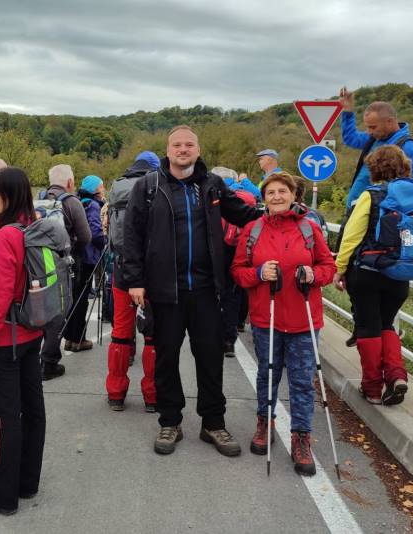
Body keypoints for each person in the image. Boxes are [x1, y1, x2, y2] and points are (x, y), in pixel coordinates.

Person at [122, 125, 260, 456]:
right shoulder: (149, 186)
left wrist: (280, 215)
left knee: (211, 358)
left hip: (206, 290)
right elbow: (132, 235)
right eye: (177, 145)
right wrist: (135, 280)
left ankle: (214, 423)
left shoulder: (211, 184)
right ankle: (170, 421)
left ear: (198, 150)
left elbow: (243, 215)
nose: (183, 149)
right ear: (167, 150)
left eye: (189, 145)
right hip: (164, 291)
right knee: (166, 358)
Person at [231, 171, 336, 476]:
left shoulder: (309, 229)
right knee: (268, 374)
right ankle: (265, 422)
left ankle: (301, 438)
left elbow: (328, 266)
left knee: (303, 382)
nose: (277, 197)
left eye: (282, 191)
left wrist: (313, 275)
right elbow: (238, 271)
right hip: (267, 317)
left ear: (293, 195)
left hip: (303, 318)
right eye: (271, 192)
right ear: (264, 198)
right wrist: (259, 273)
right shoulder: (253, 229)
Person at [0, 166, 46, 515]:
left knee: (8, 418)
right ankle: (28, 482)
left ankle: (2, 495)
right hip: (33, 331)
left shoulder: (6, 236)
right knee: (33, 411)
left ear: (8, 194)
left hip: (6, 340)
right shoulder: (35, 226)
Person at [333, 145, 413, 406]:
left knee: (369, 327)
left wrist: (340, 268)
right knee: (386, 324)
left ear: (374, 168)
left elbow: (351, 236)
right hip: (400, 273)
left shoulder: (372, 195)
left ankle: (371, 388)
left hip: (368, 272)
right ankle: (396, 376)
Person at [105, 151, 160, 412]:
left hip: (120, 270)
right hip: (151, 273)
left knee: (120, 333)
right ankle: (152, 395)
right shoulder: (157, 185)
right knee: (152, 336)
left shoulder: (117, 187)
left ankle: (115, 393)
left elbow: (110, 233)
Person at [39, 164, 92, 380]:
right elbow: (86, 236)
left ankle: (39, 355)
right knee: (61, 310)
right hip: (63, 265)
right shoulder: (72, 202)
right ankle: (49, 361)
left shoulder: (38, 199)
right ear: (70, 182)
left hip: (38, 264)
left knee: (41, 309)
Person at [339, 88, 413, 208]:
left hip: (378, 217)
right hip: (357, 210)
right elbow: (350, 138)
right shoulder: (375, 138)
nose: (369, 132)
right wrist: (347, 112)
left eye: (373, 127)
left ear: (390, 121)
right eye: (367, 127)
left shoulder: (408, 147)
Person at [211, 166, 259, 358]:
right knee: (236, 291)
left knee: (218, 292)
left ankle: (217, 335)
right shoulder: (248, 194)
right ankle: (230, 337)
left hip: (220, 247)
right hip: (244, 247)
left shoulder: (215, 192)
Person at [63, 175, 107, 351]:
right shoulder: (94, 205)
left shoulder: (79, 202)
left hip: (75, 256)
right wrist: (104, 243)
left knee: (74, 297)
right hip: (88, 258)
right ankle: (79, 339)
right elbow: (95, 232)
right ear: (95, 189)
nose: (103, 189)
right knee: (82, 299)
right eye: (101, 186)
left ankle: (69, 338)